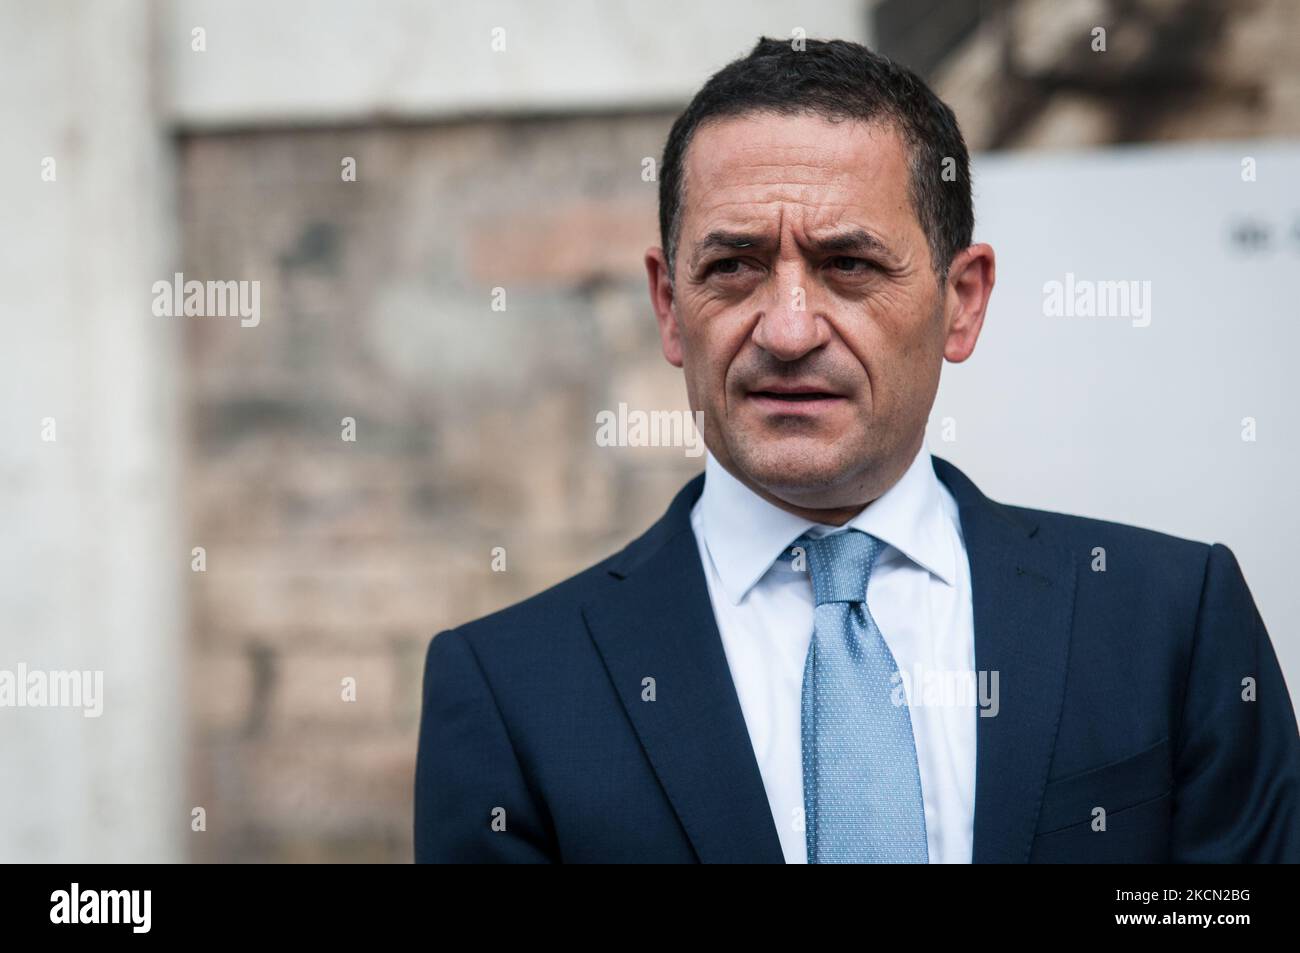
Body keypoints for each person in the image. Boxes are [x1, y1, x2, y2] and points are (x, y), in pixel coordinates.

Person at [415, 36, 1299, 863]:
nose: (789, 329)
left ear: (963, 301)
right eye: (733, 266)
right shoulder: (512, 692)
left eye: (848, 265)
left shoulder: (1168, 623)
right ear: (667, 304)